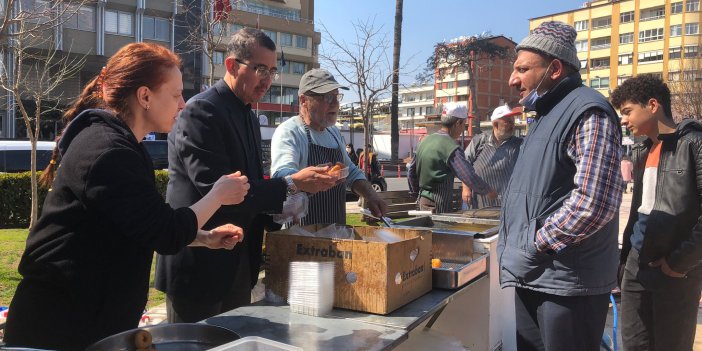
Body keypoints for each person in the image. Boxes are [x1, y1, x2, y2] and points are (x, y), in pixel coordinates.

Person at [3, 43, 249, 350]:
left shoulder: (121, 145)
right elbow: (166, 231)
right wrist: (218, 195)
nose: (183, 103)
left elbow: (143, 222)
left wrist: (204, 237)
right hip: (57, 329)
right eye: (175, 95)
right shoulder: (106, 150)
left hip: (90, 323)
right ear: (145, 96)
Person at [155, 28, 338, 324]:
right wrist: (291, 184)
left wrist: (279, 210)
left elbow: (253, 185)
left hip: (240, 262)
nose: (267, 80)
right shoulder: (202, 111)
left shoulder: (250, 117)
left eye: (273, 71)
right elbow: (216, 190)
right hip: (199, 265)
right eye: (260, 69)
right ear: (231, 65)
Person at [498, 21, 624, 351]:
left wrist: (535, 243)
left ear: (554, 68)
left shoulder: (588, 112)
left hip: (568, 285)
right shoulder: (543, 115)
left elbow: (594, 202)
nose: (513, 80)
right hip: (537, 276)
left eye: (523, 69)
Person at [610, 75, 702, 351]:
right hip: (636, 264)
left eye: (627, 112)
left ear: (652, 105)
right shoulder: (641, 150)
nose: (624, 121)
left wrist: (679, 261)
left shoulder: (693, 144)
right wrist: (626, 261)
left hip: (675, 269)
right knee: (634, 343)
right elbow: (642, 210)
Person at [271, 69, 387, 224]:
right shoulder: (289, 131)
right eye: (327, 97)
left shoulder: (333, 133)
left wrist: (371, 195)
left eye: (337, 97)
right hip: (301, 237)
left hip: (336, 232)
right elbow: (282, 175)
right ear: (303, 100)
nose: (335, 103)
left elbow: (350, 172)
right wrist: (304, 180)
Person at [408, 102, 496, 213]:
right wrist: (488, 191)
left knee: (425, 230)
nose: (463, 129)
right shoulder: (450, 146)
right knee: (438, 230)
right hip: (438, 204)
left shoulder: (425, 142)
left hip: (422, 201)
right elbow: (467, 175)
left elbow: (411, 173)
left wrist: (416, 193)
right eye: (464, 125)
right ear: (458, 123)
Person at [462, 103, 523, 209]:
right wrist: (466, 188)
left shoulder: (519, 144)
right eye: (508, 122)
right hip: (479, 202)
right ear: (495, 124)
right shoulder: (479, 141)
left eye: (513, 122)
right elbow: (464, 164)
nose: (512, 125)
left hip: (507, 204)